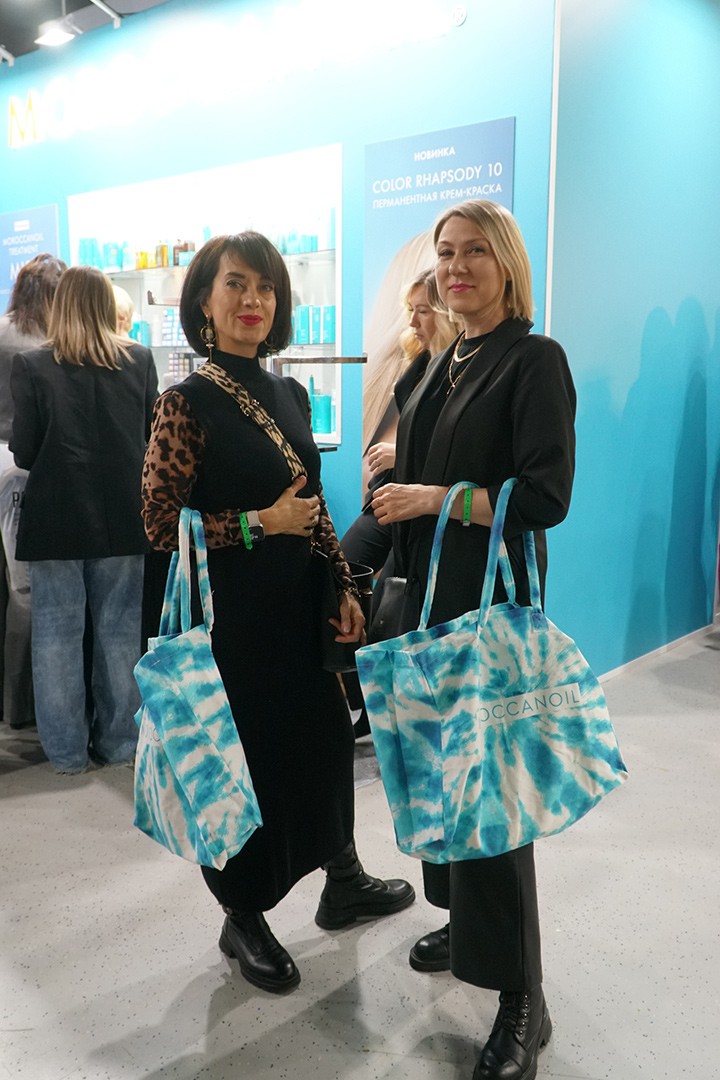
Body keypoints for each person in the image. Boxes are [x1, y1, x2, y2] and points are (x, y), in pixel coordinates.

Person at [140, 230, 415, 995]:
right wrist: (256, 524)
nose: (252, 300)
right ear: (204, 301)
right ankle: (243, 915)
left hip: (299, 611)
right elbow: (158, 524)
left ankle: (343, 878)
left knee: (323, 745)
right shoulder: (183, 404)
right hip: (231, 627)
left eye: (265, 287)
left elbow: (314, 509)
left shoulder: (289, 394)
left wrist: (346, 591)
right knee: (246, 765)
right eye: (236, 284)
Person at [371, 200, 576, 1080]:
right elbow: (415, 467)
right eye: (446, 253)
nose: (456, 267)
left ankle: (524, 998)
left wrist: (432, 497)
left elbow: (544, 496)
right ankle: (463, 922)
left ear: (507, 264)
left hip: (486, 607)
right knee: (440, 777)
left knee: (494, 799)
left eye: (474, 253)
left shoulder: (533, 359)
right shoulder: (446, 359)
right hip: (427, 604)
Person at [10, 266, 158, 773]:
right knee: (120, 634)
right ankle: (119, 744)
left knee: (56, 636)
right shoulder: (139, 360)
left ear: (61, 305)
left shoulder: (33, 365)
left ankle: (67, 752)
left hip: (55, 517)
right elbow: (150, 438)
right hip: (123, 516)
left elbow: (24, 451)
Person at [340, 268, 459, 736]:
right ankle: (359, 697)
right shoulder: (422, 364)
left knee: (391, 607)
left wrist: (400, 453)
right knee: (342, 574)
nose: (412, 321)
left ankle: (374, 707)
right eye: (410, 310)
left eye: (422, 311)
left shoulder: (463, 370)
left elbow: (456, 455)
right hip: (392, 498)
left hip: (422, 508)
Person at [0, 253, 67, 729]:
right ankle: (21, 706)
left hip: (5, 465)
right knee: (27, 591)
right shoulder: (48, 341)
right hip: (23, 470)